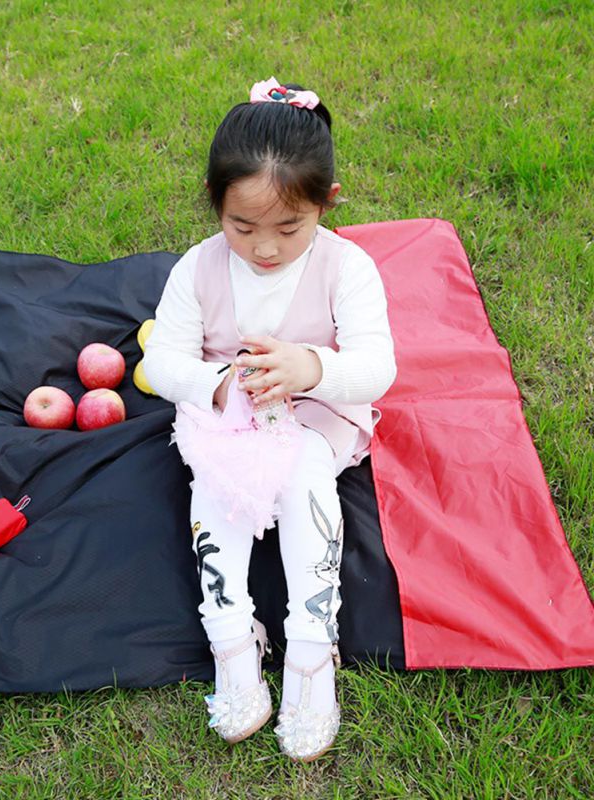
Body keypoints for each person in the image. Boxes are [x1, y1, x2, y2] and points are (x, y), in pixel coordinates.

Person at [142, 77, 397, 762]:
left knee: (307, 483)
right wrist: (218, 382)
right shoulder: (197, 271)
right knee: (213, 495)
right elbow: (163, 362)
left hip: (314, 418)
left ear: (326, 203)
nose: (263, 248)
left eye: (289, 227)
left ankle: (312, 651)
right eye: (241, 227)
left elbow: (377, 365)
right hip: (228, 422)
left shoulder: (349, 268)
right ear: (214, 206)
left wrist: (311, 367)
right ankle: (230, 637)